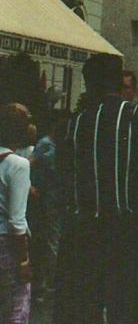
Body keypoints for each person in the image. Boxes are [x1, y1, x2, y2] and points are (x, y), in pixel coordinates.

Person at [54, 53, 138, 324]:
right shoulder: (137, 115)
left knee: (88, 303)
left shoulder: (78, 121)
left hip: (86, 230)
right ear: (118, 82)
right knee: (126, 305)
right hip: (128, 229)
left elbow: (66, 174)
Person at [0, 103, 35, 324]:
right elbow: (16, 220)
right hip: (8, 244)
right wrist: (23, 261)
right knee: (17, 303)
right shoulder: (18, 165)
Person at [27, 115, 63, 303]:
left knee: (49, 239)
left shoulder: (52, 144)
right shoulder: (47, 144)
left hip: (50, 198)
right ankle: (48, 281)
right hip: (45, 198)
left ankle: (48, 281)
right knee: (49, 240)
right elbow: (32, 162)